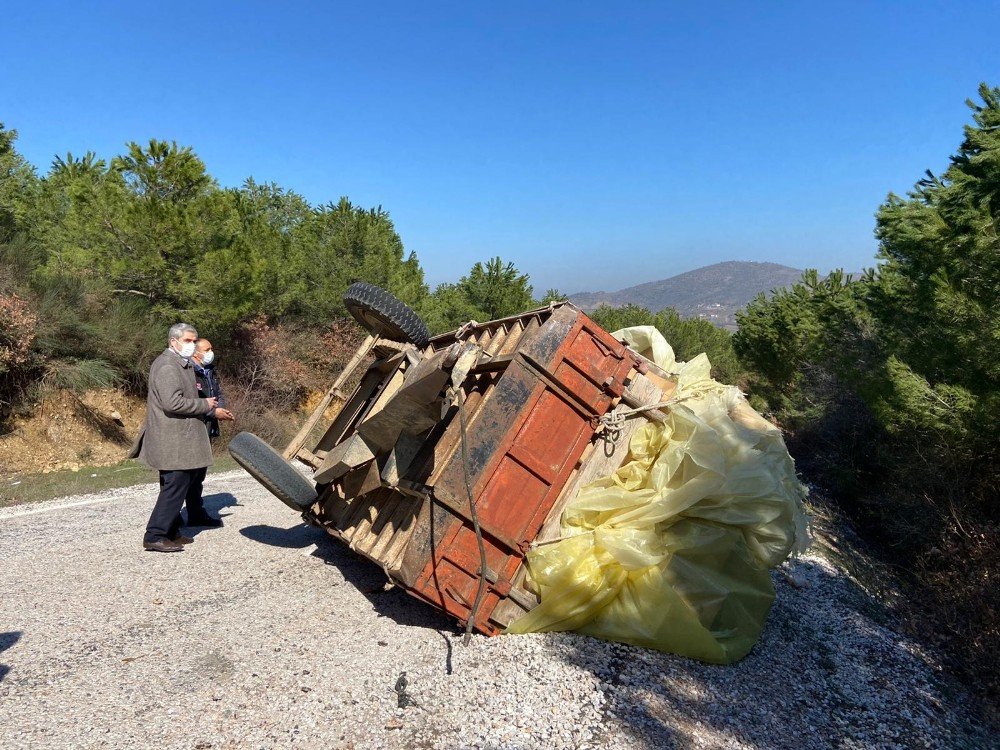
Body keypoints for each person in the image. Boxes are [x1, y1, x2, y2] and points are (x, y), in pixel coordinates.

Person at [129, 323, 218, 553]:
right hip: (172, 438)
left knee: (176, 485)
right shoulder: (168, 366)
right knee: (174, 485)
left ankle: (171, 531)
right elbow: (172, 403)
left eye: (194, 341)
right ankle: (155, 535)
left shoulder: (181, 364)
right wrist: (204, 404)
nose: (193, 345)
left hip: (179, 438)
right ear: (173, 342)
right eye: (188, 341)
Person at [183, 338, 235, 527]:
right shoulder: (188, 371)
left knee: (199, 473)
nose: (210, 352)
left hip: (208, 426)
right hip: (194, 427)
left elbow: (218, 393)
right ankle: (175, 515)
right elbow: (191, 401)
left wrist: (219, 410)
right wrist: (214, 412)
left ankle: (196, 513)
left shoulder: (209, 369)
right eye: (207, 349)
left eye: (211, 348)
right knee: (188, 473)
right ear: (196, 352)